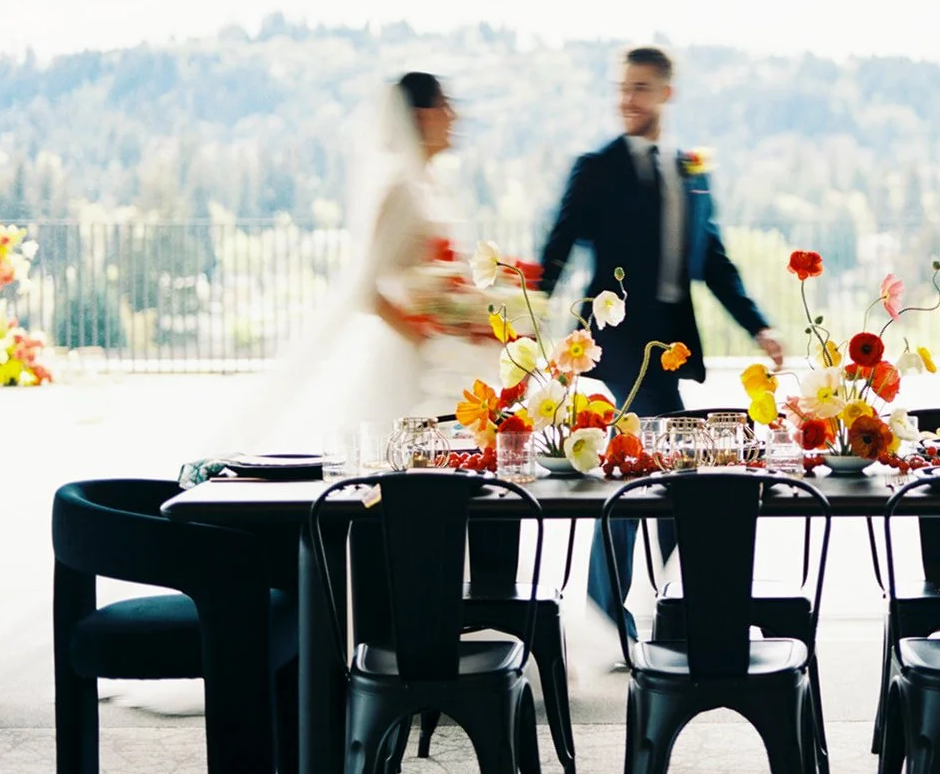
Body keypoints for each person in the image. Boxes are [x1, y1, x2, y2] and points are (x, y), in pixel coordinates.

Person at [539, 45, 784, 640]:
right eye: (623, 87)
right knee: (667, 468)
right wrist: (528, 317)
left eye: (641, 88)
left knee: (662, 469)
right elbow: (559, 244)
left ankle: (658, 598)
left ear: (666, 94)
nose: (628, 99)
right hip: (619, 347)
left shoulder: (691, 171)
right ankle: (649, 601)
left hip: (668, 352)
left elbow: (714, 260)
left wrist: (758, 325)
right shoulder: (595, 167)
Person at [224, 71, 478, 454]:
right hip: (405, 358)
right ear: (423, 117)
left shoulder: (427, 186)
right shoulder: (400, 190)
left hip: (436, 357)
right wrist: (422, 338)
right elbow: (366, 290)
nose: (455, 117)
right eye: (447, 106)